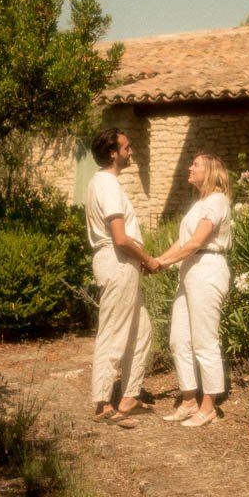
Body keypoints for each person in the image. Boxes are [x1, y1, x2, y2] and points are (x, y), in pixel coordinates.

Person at [84, 127, 162, 428]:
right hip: (117, 260)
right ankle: (103, 402)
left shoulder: (102, 183)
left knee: (141, 331)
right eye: (126, 147)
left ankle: (129, 397)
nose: (131, 152)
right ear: (112, 153)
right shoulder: (107, 185)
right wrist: (147, 259)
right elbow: (119, 237)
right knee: (114, 331)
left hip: (121, 262)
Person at [155, 153, 233, 428]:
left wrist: (163, 262)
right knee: (179, 339)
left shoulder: (217, 201)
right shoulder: (200, 203)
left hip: (207, 269)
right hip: (189, 270)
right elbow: (183, 241)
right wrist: (158, 261)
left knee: (204, 340)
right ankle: (189, 400)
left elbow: (197, 241)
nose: (190, 167)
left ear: (210, 171)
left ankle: (208, 406)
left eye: (196, 164)